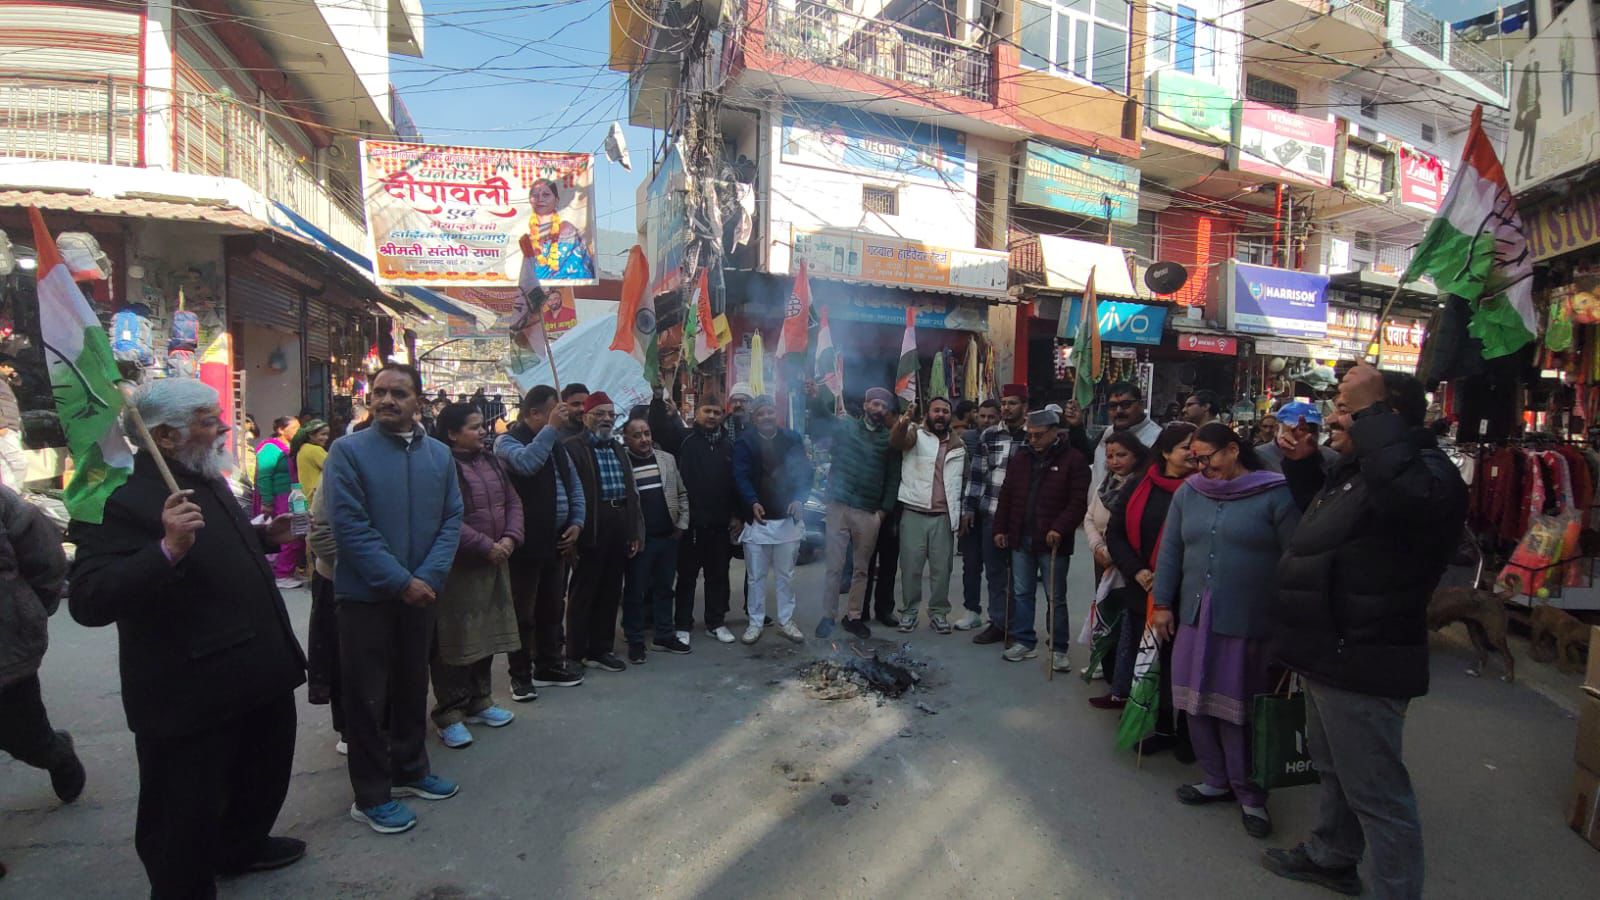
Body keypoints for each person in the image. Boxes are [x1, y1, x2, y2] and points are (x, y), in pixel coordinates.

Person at [69, 379, 308, 893]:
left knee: (260, 774)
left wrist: (264, 537)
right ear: (165, 435)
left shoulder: (203, 473)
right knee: (182, 811)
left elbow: (216, 548)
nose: (223, 427)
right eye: (207, 420)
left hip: (256, 670)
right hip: (191, 691)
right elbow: (89, 600)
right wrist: (165, 551)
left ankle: (240, 845)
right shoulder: (120, 497)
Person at [1264, 365, 1468, 899]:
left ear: (1387, 417)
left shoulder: (1426, 475)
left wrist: (1371, 411)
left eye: (1346, 411)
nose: (1332, 420)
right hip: (1329, 650)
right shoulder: (1364, 470)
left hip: (1365, 653)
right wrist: (1302, 465)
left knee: (1378, 795)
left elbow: (1407, 502)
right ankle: (1332, 855)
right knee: (1334, 769)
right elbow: (1333, 530)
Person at [324, 363, 464, 835]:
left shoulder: (439, 455)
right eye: (379, 392)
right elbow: (350, 528)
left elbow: (452, 519)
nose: (386, 400)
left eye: (398, 393)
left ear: (418, 400)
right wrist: (401, 582)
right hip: (366, 597)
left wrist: (428, 577)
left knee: (411, 685)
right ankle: (371, 795)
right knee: (367, 698)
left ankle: (410, 770)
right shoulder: (347, 452)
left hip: (421, 595)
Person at [1153, 422, 1300, 839]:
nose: (1201, 467)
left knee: (1238, 709)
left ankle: (1250, 794)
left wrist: (1291, 619)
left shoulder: (1274, 493)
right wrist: (1162, 604)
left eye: (1207, 458)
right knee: (1194, 701)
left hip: (1248, 621)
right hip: (1194, 616)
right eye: (1195, 459)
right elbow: (1171, 551)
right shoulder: (1189, 493)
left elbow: (1295, 559)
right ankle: (1215, 779)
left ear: (1233, 450)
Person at [1100, 424, 1197, 757]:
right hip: (1144, 587)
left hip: (1187, 592)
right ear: (1166, 452)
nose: (1193, 453)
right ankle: (1162, 726)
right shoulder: (1140, 483)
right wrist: (1138, 571)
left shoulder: (1204, 487)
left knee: (1185, 663)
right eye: (1186, 446)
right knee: (1155, 662)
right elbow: (1115, 533)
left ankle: (1190, 734)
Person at [429, 403, 522, 749]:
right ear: (452, 434)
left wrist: (510, 538)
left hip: (496, 560)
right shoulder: (442, 467)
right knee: (456, 641)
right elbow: (445, 516)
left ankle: (480, 701)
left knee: (487, 634)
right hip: (460, 567)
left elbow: (513, 502)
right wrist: (485, 546)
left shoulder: (492, 461)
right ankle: (449, 713)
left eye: (483, 425)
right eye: (474, 427)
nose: (483, 431)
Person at [0, 484, 82, 849]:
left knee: (25, 737)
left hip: (6, 652)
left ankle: (55, 753)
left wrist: (29, 608)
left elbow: (45, 557)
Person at [495, 385, 586, 698]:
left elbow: (574, 485)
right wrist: (550, 430)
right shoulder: (507, 442)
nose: (560, 417)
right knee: (523, 613)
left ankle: (548, 664)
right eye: (552, 411)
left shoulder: (556, 444)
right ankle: (520, 674)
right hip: (525, 542)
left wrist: (577, 522)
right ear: (533, 413)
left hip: (556, 539)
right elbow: (527, 464)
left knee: (551, 607)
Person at [992, 409, 1090, 668]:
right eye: (1030, 435)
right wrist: (1000, 528)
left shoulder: (1073, 459)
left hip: (1052, 540)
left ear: (1054, 432)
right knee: (1022, 592)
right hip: (1020, 536)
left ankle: (1058, 647)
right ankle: (1024, 641)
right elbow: (1006, 495)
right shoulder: (1021, 458)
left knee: (1055, 596)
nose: (1033, 440)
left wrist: (1060, 528)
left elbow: (1078, 502)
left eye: (1038, 435)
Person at [808, 383, 901, 640]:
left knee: (862, 568)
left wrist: (883, 512)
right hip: (838, 505)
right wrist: (815, 399)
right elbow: (824, 419)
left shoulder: (889, 439)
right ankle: (828, 616)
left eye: (884, 406)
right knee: (834, 567)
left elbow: (893, 477)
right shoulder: (846, 427)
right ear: (865, 405)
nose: (879, 409)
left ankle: (854, 616)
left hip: (869, 511)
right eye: (875, 404)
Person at [648, 390, 738, 646]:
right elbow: (658, 428)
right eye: (707, 411)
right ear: (697, 413)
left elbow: (735, 483)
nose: (711, 416)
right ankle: (682, 625)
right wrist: (657, 399)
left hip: (720, 524)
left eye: (717, 412)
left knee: (718, 576)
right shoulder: (683, 439)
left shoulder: (728, 445)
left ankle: (716, 623)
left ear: (722, 416)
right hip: (690, 524)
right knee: (687, 577)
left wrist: (736, 514)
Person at [562, 392, 642, 672]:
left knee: (611, 590)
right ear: (586, 417)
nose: (606, 419)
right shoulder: (573, 448)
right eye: (599, 414)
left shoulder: (618, 448)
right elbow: (569, 492)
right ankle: (575, 653)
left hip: (618, 522)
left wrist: (633, 530)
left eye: (610, 414)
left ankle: (601, 649)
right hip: (591, 525)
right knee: (584, 591)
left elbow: (630, 491)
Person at [732, 395, 813, 644]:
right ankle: (755, 622)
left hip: (787, 520)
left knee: (785, 575)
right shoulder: (745, 442)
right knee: (755, 576)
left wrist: (799, 498)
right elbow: (740, 476)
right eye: (761, 413)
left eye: (770, 412)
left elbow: (805, 471)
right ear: (754, 418)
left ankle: (786, 620)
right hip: (758, 521)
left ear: (776, 414)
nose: (766, 417)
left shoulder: (792, 438)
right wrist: (751, 501)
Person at [890, 397, 966, 634]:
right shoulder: (915, 434)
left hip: (943, 515)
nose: (940, 415)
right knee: (911, 567)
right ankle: (909, 612)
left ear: (950, 416)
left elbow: (962, 482)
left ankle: (939, 613)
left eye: (945, 411)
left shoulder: (959, 445)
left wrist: (961, 514)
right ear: (928, 414)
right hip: (914, 511)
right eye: (936, 410)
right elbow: (897, 441)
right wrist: (904, 420)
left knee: (942, 570)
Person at [1081, 430, 1149, 681]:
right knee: (1105, 612)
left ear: (1136, 455)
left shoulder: (1141, 485)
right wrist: (1097, 547)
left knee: (1125, 618)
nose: (1115, 461)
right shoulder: (1106, 483)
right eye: (1110, 456)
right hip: (1102, 558)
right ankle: (1105, 663)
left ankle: (1123, 675)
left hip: (1127, 563)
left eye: (1122, 455)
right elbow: (1090, 517)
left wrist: (1113, 552)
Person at [963, 384, 1030, 641]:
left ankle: (1019, 628)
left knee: (1021, 578)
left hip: (1023, 517)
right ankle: (999, 623)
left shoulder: (1034, 435)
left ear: (1024, 406)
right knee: (995, 573)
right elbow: (977, 475)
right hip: (991, 513)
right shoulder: (989, 435)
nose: (1007, 408)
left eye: (1013, 403)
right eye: (1004, 403)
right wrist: (969, 508)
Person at [620, 418, 689, 663]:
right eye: (637, 435)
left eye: (647, 433)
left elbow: (682, 493)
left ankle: (664, 635)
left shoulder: (666, 459)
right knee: (636, 592)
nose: (644, 439)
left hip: (668, 537)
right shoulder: (622, 463)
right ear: (626, 439)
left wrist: (681, 524)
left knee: (665, 589)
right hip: (640, 541)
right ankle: (635, 640)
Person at [305, 470, 346, 756]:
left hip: (387, 581)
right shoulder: (340, 464)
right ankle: (348, 727)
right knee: (342, 658)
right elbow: (320, 533)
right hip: (339, 579)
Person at [1089, 382, 1163, 501]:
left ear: (1141, 405)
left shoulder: (1157, 437)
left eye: (1126, 404)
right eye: (1113, 406)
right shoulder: (1107, 432)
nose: (1119, 411)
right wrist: (1077, 427)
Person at [256, 416, 303, 590]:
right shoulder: (270, 448)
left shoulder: (292, 447)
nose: (298, 431)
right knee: (287, 532)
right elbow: (264, 476)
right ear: (281, 430)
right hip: (280, 497)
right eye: (294, 428)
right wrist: (267, 502)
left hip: (295, 494)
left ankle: (288, 570)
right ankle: (282, 573)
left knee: (300, 530)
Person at [1255, 401, 1338, 485]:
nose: (1307, 436)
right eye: (1299, 429)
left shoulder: (1331, 458)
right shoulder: (1258, 456)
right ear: (1277, 429)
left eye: (1312, 430)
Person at [0, 354, 27, 488]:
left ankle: (9, 495)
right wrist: (1, 425)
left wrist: (14, 375)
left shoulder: (4, 382)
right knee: (19, 463)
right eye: (9, 366)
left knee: (6, 467)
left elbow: (20, 385)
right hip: (5, 429)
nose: (11, 369)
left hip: (11, 428)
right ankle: (15, 494)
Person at [292, 418, 331, 504]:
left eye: (327, 435)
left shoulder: (303, 448)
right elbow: (334, 467)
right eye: (323, 434)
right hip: (316, 499)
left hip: (307, 498)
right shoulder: (314, 450)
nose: (326, 438)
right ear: (311, 435)